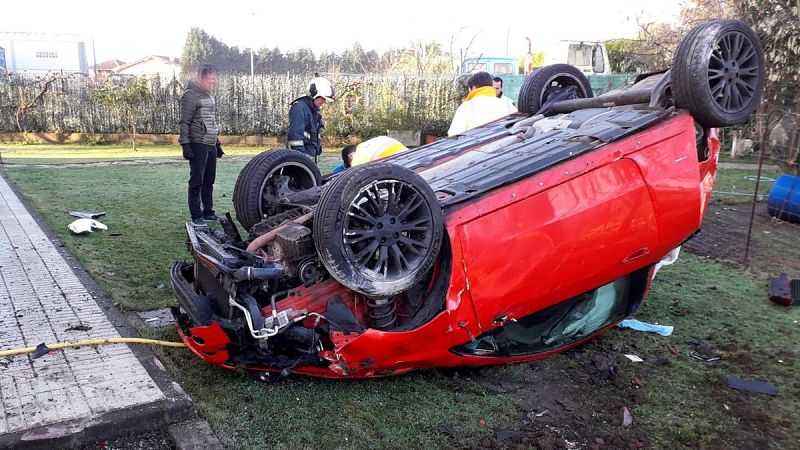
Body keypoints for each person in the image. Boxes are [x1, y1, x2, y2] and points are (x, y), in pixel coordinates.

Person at [179, 63, 224, 227]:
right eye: (210, 80)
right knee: (196, 181)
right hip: (197, 143)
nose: (213, 83)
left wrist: (217, 143)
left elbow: (211, 122)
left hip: (210, 144)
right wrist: (185, 144)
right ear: (200, 78)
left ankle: (208, 212)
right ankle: (196, 215)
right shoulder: (190, 96)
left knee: (209, 180)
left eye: (214, 80)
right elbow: (184, 122)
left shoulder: (209, 95)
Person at [448, 71, 518, 136]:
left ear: (473, 88)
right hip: (505, 148)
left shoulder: (466, 107)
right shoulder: (508, 105)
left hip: (475, 148)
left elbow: (454, 135)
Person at [287, 76, 334, 160]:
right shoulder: (299, 107)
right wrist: (301, 159)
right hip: (300, 159)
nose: (324, 102)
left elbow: (314, 134)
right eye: (322, 98)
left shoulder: (313, 109)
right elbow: (295, 136)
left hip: (309, 157)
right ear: (314, 94)